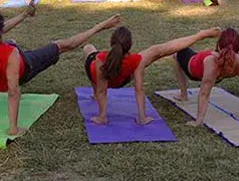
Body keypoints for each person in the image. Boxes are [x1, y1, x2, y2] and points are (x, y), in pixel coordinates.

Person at [0, 14, 123, 137]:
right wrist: (13, 128)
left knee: (22, 48)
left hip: (14, 62)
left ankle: (101, 25)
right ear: (0, 34)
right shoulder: (10, 53)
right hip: (27, 68)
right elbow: (13, 91)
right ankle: (101, 25)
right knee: (63, 45)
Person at [83, 26, 222, 125]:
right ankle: (200, 34)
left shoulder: (100, 58)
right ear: (130, 45)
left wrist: (102, 117)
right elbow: (139, 90)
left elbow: (102, 90)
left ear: (111, 43)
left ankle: (201, 34)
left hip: (96, 76)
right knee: (158, 50)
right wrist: (142, 118)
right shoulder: (135, 60)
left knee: (88, 48)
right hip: (120, 78)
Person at [172, 28, 239, 126]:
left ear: (219, 46)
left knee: (177, 53)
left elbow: (204, 94)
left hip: (194, 71)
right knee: (196, 54)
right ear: (238, 48)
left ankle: (183, 94)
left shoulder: (212, 62)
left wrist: (198, 121)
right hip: (210, 70)